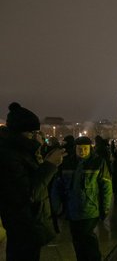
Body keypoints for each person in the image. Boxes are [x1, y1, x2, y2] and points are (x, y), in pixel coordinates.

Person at [0, 102, 66, 261]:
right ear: (19, 133)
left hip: (29, 224)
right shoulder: (9, 156)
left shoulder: (22, 151)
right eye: (32, 133)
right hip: (23, 225)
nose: (36, 137)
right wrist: (50, 165)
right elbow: (30, 192)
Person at [51, 136, 112, 261]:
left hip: (90, 209)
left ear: (90, 149)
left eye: (85, 149)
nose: (82, 152)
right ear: (75, 149)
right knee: (77, 239)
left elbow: (106, 186)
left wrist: (105, 208)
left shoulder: (98, 162)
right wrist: (58, 207)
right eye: (79, 149)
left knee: (88, 238)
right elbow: (57, 186)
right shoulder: (67, 162)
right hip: (71, 210)